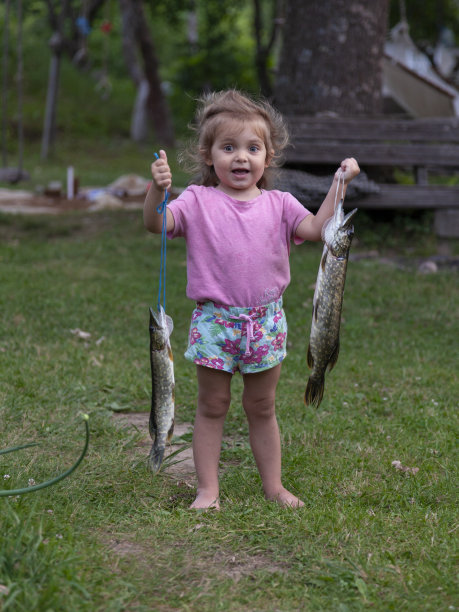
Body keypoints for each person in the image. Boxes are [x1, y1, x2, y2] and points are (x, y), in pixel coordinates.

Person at [144, 90, 360, 510]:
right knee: (212, 406)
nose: (241, 158)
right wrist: (157, 191)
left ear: (268, 155)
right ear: (208, 155)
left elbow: (317, 229)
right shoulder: (197, 201)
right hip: (214, 323)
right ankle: (208, 490)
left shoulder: (279, 205)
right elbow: (157, 223)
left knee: (262, 406)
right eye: (228, 148)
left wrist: (340, 183)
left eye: (252, 148)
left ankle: (274, 487)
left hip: (266, 323)